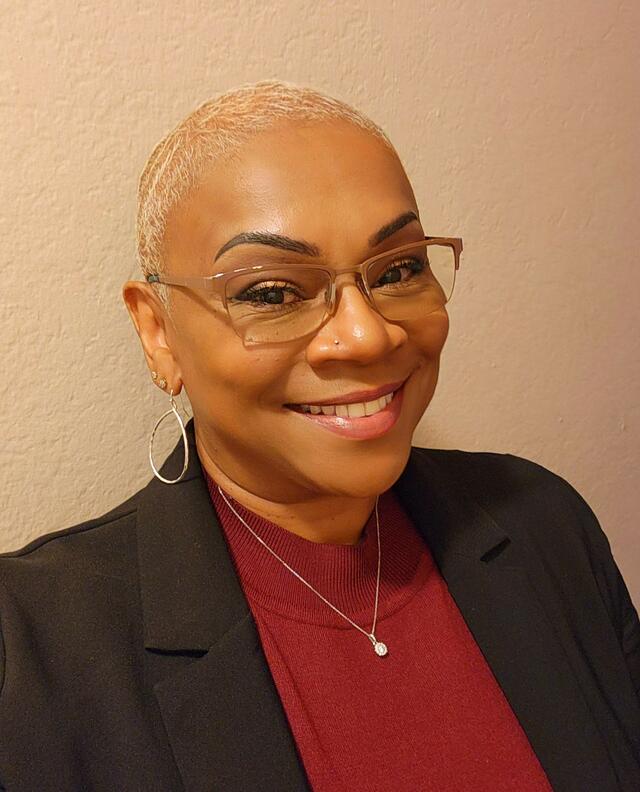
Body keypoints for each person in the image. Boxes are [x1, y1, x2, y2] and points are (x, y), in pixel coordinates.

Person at [0, 81, 638, 792]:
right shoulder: (30, 653)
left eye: (399, 269)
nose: (367, 336)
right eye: (273, 293)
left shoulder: (544, 524)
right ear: (158, 332)